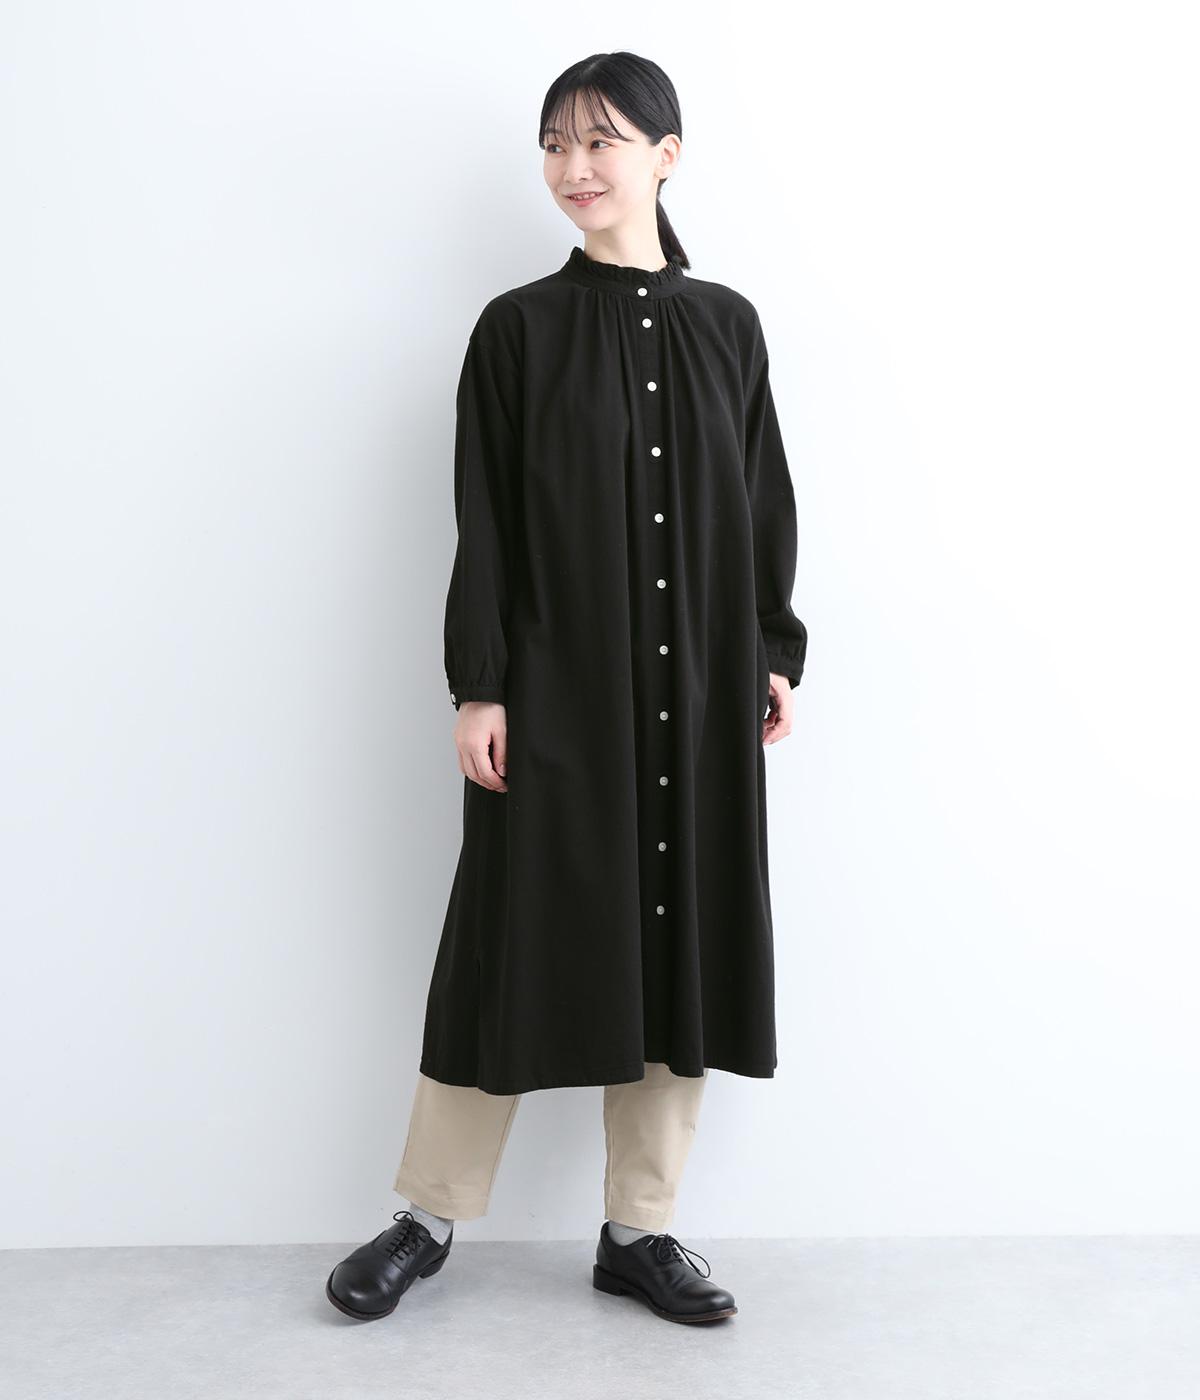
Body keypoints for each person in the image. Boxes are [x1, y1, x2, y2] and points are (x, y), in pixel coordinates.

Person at [326, 50, 808, 1327]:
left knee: (679, 937)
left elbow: (761, 497)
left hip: (699, 689)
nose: (574, 167)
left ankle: (640, 1229)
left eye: (601, 140)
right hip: (555, 693)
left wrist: (772, 648)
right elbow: (484, 519)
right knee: (503, 934)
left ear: (667, 154)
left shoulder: (729, 327)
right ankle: (426, 1213)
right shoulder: (518, 330)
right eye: (555, 143)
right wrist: (481, 684)